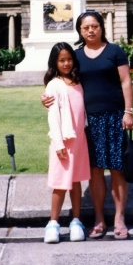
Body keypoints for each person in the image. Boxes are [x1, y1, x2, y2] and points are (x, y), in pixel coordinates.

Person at [42, 11, 133, 240]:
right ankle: (99, 219)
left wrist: (129, 111)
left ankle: (119, 218)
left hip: (115, 117)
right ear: (80, 31)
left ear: (101, 27)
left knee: (117, 168)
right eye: (86, 27)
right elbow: (64, 83)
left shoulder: (115, 51)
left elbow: (126, 81)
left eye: (95, 26)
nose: (91, 30)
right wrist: (45, 97)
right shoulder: (76, 56)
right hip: (89, 122)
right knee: (95, 170)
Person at [43, 42, 91, 244]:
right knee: (60, 183)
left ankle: (76, 222)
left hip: (79, 140)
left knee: (76, 181)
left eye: (69, 59)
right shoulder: (54, 84)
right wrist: (58, 143)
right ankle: (53, 223)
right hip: (63, 141)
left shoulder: (77, 81)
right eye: (61, 60)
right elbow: (53, 117)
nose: (66, 63)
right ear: (55, 62)